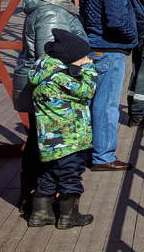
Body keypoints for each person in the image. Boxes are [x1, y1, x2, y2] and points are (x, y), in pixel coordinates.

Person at [12, 0, 88, 211]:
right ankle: (35, 199)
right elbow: (52, 54)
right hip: (50, 88)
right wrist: (77, 75)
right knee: (42, 141)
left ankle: (34, 198)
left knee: (38, 139)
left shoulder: (52, 6)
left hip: (38, 83)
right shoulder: (52, 12)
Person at [26, 29, 99, 229]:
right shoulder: (61, 78)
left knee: (48, 174)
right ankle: (69, 217)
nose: (85, 59)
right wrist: (90, 70)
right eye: (82, 57)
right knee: (70, 175)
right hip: (69, 140)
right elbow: (87, 90)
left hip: (49, 141)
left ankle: (40, 214)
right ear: (69, 58)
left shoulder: (44, 73)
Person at [78, 0, 137, 170]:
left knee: (92, 102)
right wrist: (132, 35)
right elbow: (116, 21)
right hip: (110, 49)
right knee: (107, 104)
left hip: (93, 46)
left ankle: (89, 150)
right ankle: (103, 156)